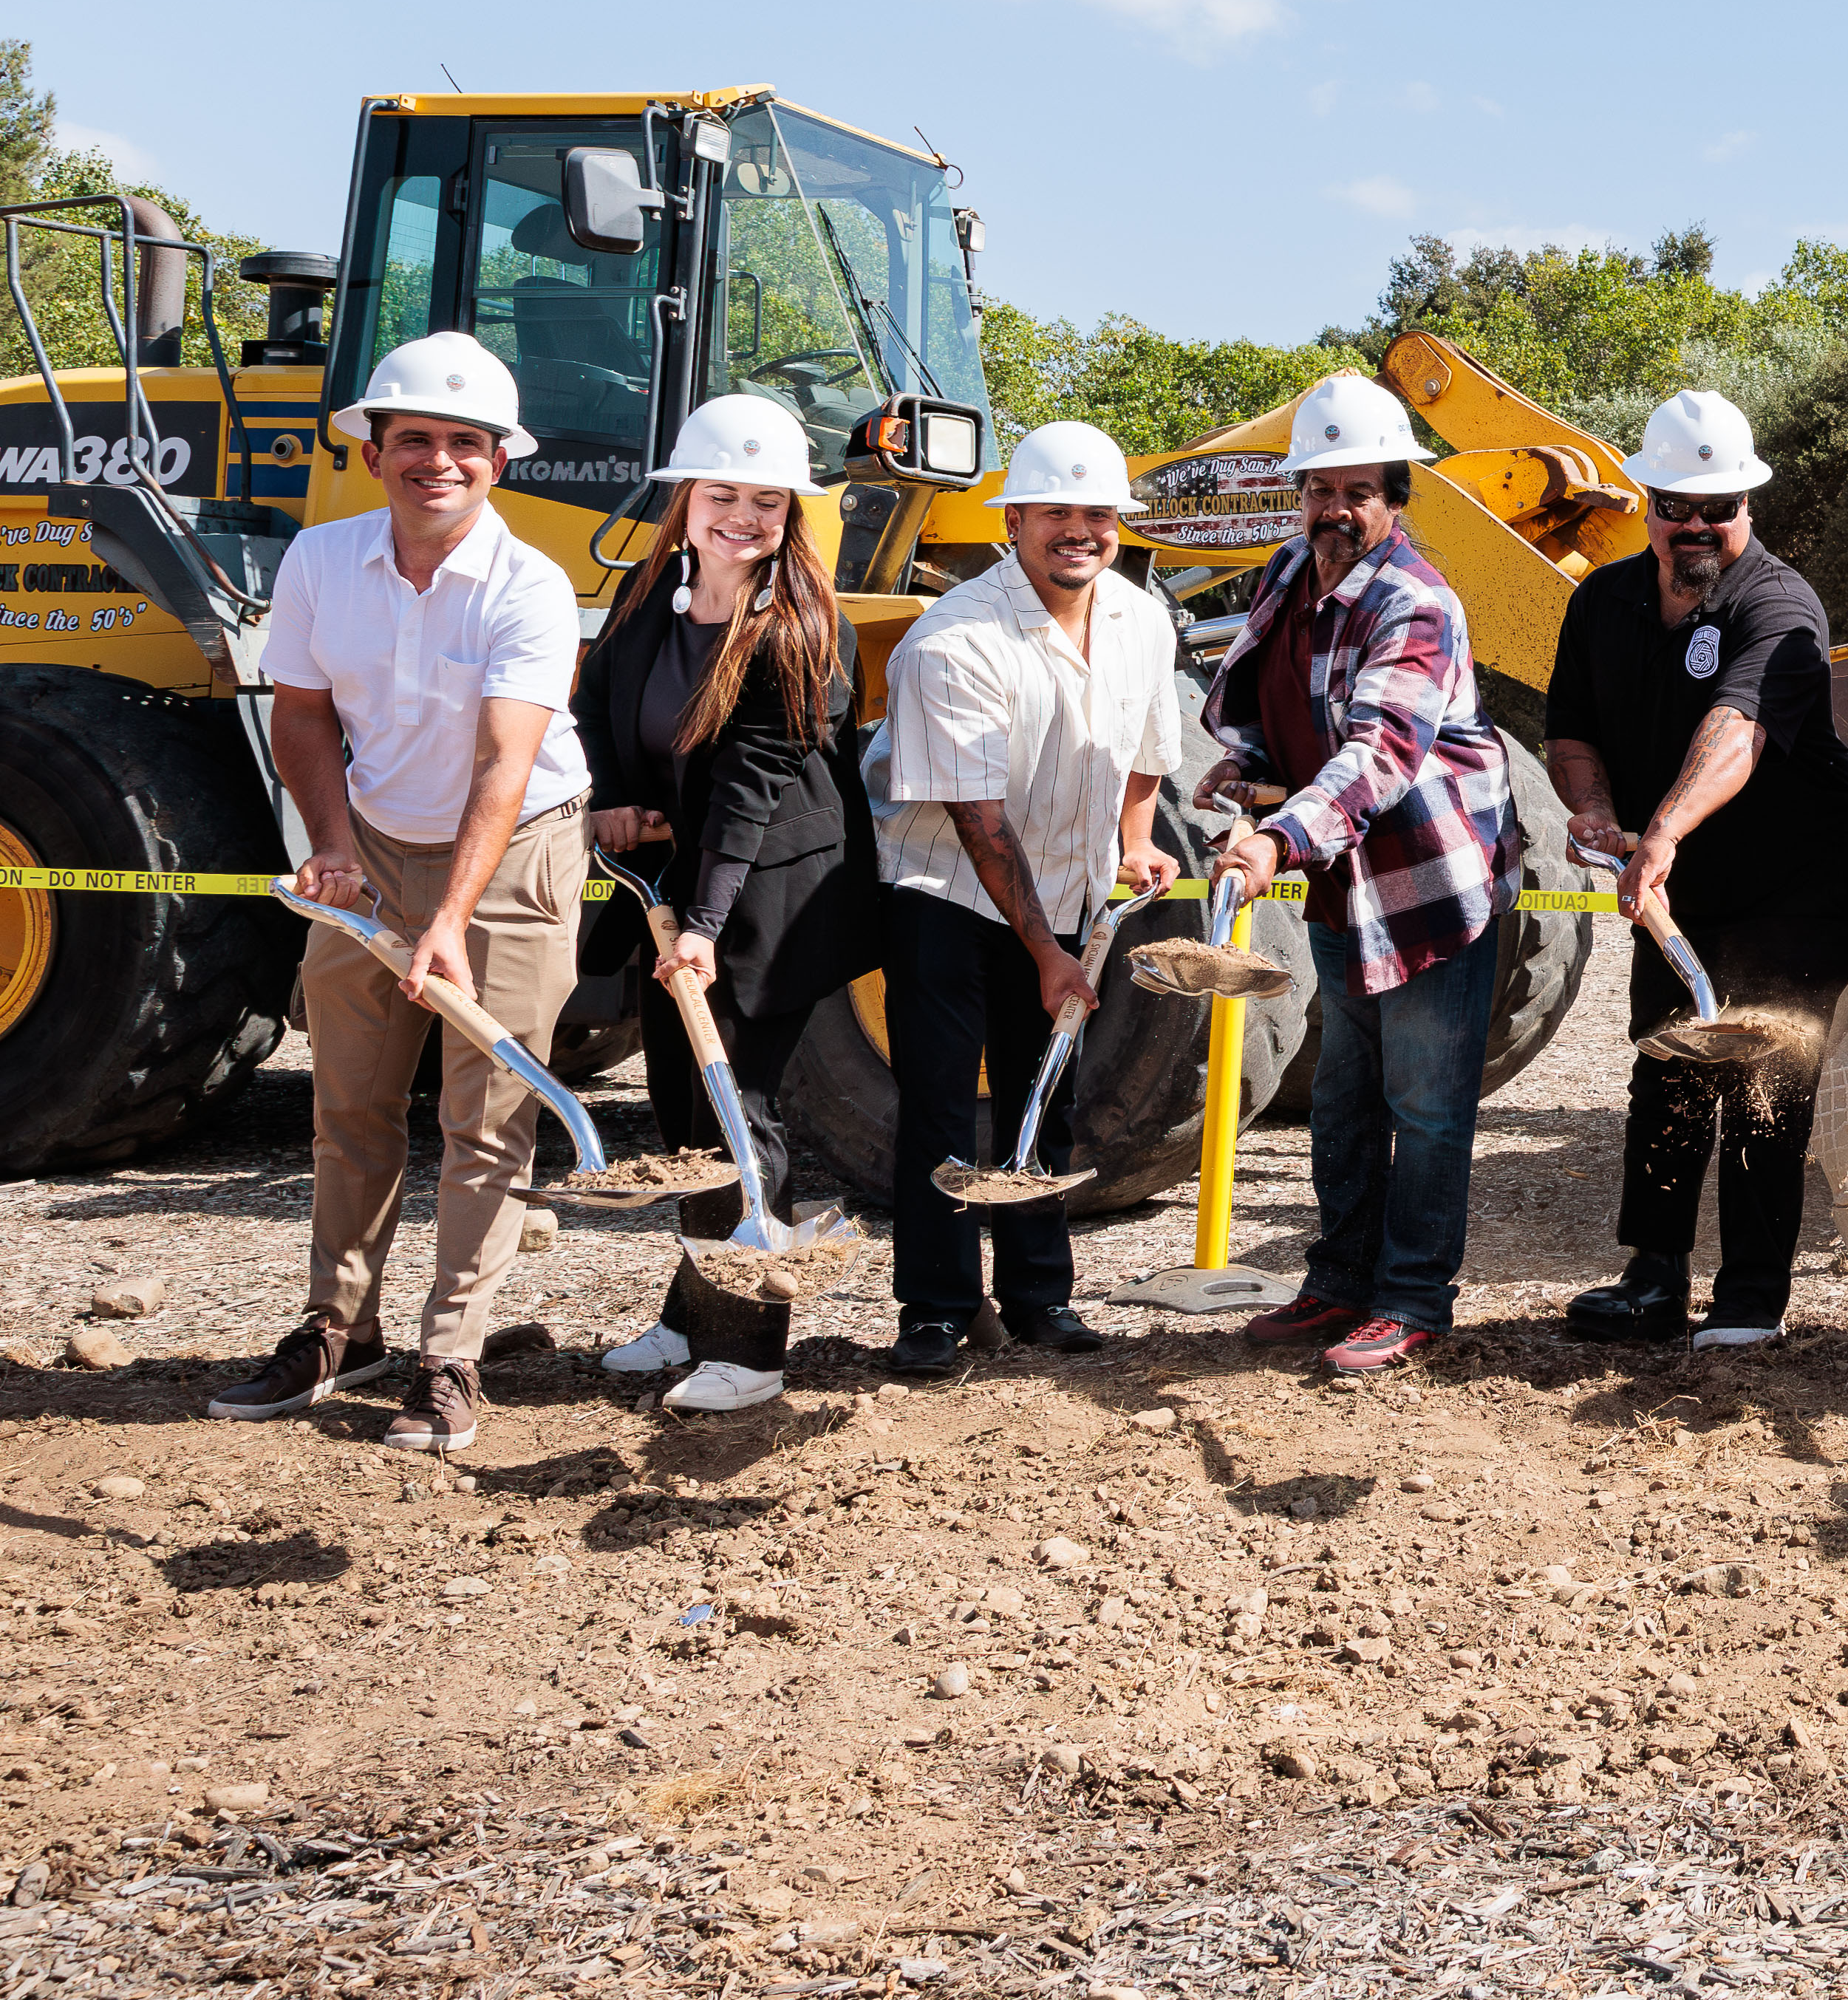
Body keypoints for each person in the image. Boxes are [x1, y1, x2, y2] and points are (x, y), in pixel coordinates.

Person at [208, 332, 593, 1456]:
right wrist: (331, 845)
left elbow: (502, 766)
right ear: (374, 452)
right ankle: (342, 1329)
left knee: (489, 1114)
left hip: (513, 850)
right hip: (374, 837)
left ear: (498, 461)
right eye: (414, 438)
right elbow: (306, 712)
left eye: (464, 443)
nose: (440, 460)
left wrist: (449, 923)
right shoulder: (322, 561)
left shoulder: (531, 584)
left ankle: (452, 1353)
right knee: (351, 1100)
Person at [1547, 390, 1848, 1351]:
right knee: (1669, 1068)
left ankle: (1750, 1296)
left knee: (1765, 1080)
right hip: (1683, 892)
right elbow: (1571, 730)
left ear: (1749, 507)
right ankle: (1652, 1278)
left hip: (1798, 887)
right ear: (1645, 503)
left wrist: (1664, 831)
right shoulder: (1602, 600)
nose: (1695, 526)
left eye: (1717, 508)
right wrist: (1601, 811)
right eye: (1675, 506)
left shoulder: (1780, 605)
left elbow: (1735, 732)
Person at [1202, 373, 1516, 1380]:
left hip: (1422, 891)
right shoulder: (1289, 572)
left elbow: (1380, 749)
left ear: (1396, 498)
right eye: (1319, 489)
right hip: (1346, 887)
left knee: (1426, 1106)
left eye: (1359, 491)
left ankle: (1414, 1300)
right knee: (1345, 1097)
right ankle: (1339, 1282)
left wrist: (1274, 843)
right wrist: (1251, 770)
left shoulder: (1417, 603)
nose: (1335, 510)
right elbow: (1286, 700)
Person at [576, 394, 881, 1416]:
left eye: (766, 499)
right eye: (723, 494)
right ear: (685, 500)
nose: (742, 515)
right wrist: (619, 798)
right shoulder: (647, 594)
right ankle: (697, 1306)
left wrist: (702, 929)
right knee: (679, 1109)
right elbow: (597, 704)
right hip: (675, 885)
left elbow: (749, 792)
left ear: (789, 512)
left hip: (765, 900)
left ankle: (752, 1351)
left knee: (739, 1112)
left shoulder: (799, 630)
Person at [872, 420, 1182, 1378]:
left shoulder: (1141, 618)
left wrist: (1133, 847)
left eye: (1097, 513)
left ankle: (1040, 1297)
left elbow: (1146, 749)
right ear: (1014, 519)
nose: (1079, 530)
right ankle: (934, 1310)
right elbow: (977, 822)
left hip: (1067, 886)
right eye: (1057, 512)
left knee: (1043, 1095)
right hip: (948, 893)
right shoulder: (952, 640)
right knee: (938, 1105)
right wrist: (1049, 956)